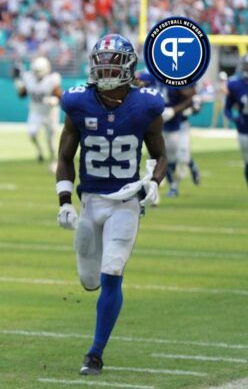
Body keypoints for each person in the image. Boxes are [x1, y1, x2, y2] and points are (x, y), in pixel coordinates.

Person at [55, 34, 167, 375]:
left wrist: (154, 181)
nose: (105, 70)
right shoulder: (78, 102)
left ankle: (95, 352)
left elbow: (160, 155)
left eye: (113, 63)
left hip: (125, 200)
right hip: (90, 201)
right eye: (101, 62)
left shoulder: (146, 104)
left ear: (128, 67)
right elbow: (64, 156)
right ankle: (96, 292)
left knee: (113, 271)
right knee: (90, 280)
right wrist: (63, 199)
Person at [16, 56, 63, 169]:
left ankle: (54, 161)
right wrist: (19, 85)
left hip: (50, 113)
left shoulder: (52, 80)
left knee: (50, 139)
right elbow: (21, 94)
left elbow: (61, 98)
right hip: (36, 111)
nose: (36, 73)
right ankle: (40, 151)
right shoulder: (28, 77)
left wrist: (54, 100)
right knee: (32, 133)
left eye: (38, 71)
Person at [224, 53, 248, 186]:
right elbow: (227, 108)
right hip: (244, 130)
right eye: (246, 66)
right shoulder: (235, 85)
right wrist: (235, 118)